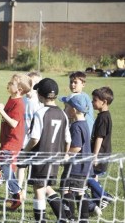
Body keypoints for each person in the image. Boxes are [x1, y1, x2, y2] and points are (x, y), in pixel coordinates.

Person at [23, 78, 71, 222]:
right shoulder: (63, 114)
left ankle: (40, 219)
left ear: (40, 95)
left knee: (38, 189)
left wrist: (24, 152)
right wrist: (64, 154)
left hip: (40, 158)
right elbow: (67, 140)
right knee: (46, 186)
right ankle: (63, 217)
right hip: (54, 158)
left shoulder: (40, 113)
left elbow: (34, 139)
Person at [0, 73, 31, 210]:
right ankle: (16, 194)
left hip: (13, 141)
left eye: (12, 83)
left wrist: (1, 111)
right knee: (0, 167)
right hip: (7, 139)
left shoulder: (19, 104)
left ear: (20, 90)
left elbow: (13, 123)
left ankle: (17, 193)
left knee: (4, 166)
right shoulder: (11, 98)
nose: (9, 84)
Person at [59, 94, 94, 222]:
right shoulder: (84, 124)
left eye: (66, 107)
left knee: (65, 190)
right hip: (84, 167)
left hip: (74, 168)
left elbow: (77, 147)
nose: (65, 109)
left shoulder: (75, 126)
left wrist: (65, 154)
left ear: (73, 110)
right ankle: (84, 218)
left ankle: (69, 218)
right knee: (80, 192)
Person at [89, 87, 114, 209]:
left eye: (94, 100)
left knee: (87, 177)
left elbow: (99, 137)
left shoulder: (103, 118)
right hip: (101, 153)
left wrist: (95, 156)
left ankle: (105, 196)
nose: (92, 102)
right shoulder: (104, 115)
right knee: (93, 177)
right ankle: (98, 201)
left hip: (100, 154)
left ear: (103, 101)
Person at [17, 71, 43, 187]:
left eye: (37, 83)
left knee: (33, 169)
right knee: (21, 166)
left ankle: (31, 190)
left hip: (35, 140)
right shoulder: (22, 100)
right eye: (32, 83)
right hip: (22, 140)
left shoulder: (40, 102)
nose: (34, 86)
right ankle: (18, 188)